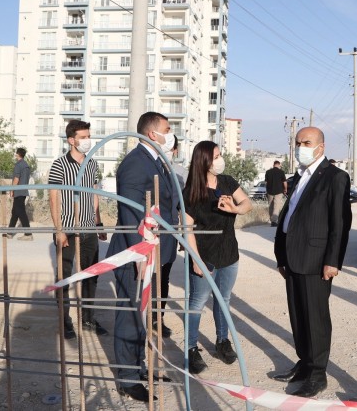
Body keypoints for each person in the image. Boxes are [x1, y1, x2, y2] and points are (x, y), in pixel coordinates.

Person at [273, 127, 352, 398]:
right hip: (293, 259)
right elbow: (290, 217)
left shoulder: (335, 177)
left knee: (315, 319)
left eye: (306, 142)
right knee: (298, 316)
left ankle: (318, 373)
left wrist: (333, 261)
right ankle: (305, 364)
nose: (300, 147)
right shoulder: (298, 178)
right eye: (297, 143)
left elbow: (339, 224)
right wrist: (281, 256)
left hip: (316, 261)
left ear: (321, 146)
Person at [107, 112, 179, 402]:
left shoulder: (156, 161)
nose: (171, 134)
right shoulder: (135, 163)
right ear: (152, 133)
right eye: (167, 129)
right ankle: (127, 378)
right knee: (129, 314)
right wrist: (139, 254)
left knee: (143, 314)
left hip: (154, 250)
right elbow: (131, 212)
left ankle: (139, 367)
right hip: (136, 252)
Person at [183, 141, 252, 374]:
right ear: (204, 161)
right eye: (216, 156)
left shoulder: (227, 182)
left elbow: (247, 203)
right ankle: (191, 349)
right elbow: (187, 229)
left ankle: (222, 342)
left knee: (224, 300)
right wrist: (196, 260)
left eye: (220, 154)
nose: (220, 160)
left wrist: (234, 209)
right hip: (204, 256)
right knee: (197, 302)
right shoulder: (191, 191)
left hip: (229, 254)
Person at [48, 120, 108, 339]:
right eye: (83, 137)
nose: (87, 140)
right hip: (68, 229)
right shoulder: (59, 165)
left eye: (88, 136)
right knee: (64, 277)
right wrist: (59, 229)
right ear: (71, 140)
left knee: (91, 275)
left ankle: (88, 319)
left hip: (89, 229)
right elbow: (53, 197)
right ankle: (65, 321)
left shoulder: (92, 164)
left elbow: (94, 194)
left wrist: (98, 222)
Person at [150, 134, 188, 339]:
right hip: (148, 232)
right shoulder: (149, 167)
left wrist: (182, 234)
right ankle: (145, 317)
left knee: (163, 276)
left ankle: (158, 318)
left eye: (171, 147)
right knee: (147, 276)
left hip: (170, 232)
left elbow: (182, 208)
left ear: (176, 151)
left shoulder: (181, 174)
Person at [8, 147, 33, 241]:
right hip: (23, 191)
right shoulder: (26, 165)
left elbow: (16, 179)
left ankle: (28, 234)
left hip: (18, 191)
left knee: (21, 212)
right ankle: (10, 232)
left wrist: (12, 190)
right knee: (15, 212)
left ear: (17, 154)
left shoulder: (18, 165)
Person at [265, 160, 287, 226]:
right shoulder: (281, 172)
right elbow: (284, 182)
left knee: (270, 206)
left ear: (273, 165)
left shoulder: (268, 172)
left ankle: (272, 220)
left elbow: (266, 183)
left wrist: (267, 189)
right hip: (279, 191)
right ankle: (274, 221)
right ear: (279, 165)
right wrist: (285, 189)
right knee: (276, 206)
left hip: (270, 191)